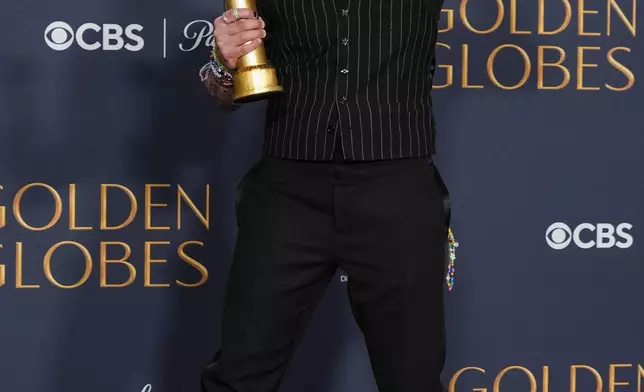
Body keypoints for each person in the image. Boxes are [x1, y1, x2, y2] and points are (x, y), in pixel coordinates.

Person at [199, 1, 450, 391]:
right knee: (239, 377)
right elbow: (227, 94)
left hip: (398, 192)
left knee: (412, 378)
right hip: (287, 194)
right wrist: (223, 62)